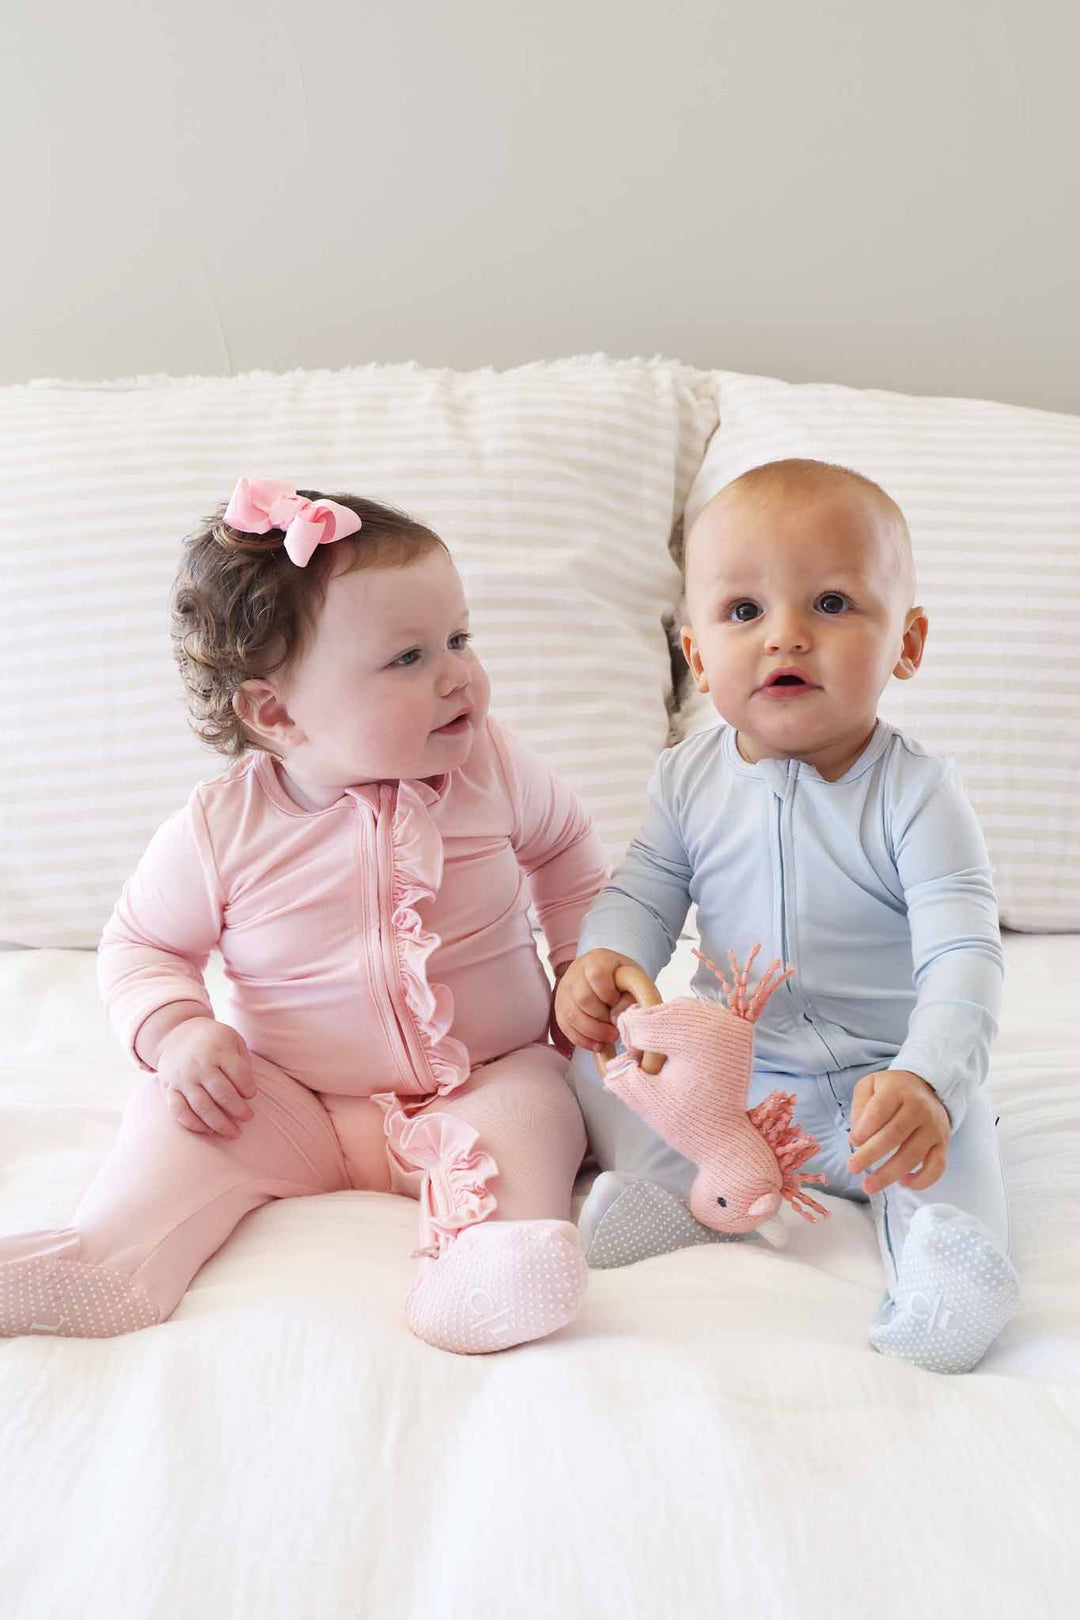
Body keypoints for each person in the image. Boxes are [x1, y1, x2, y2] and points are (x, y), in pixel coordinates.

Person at [0, 478, 606, 1355]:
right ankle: (106, 1261)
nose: (458, 675)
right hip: (289, 1098)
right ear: (275, 713)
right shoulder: (222, 827)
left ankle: (487, 1263)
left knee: (537, 1118)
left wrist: (579, 962)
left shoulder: (494, 768)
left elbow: (567, 851)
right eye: (409, 658)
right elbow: (142, 943)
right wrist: (176, 1033)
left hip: (484, 1073)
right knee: (178, 1121)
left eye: (459, 639)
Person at [554, 458, 1020, 1374]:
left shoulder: (918, 795)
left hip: (884, 1092)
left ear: (908, 643)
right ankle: (690, 1191)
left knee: (953, 1152)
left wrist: (929, 1078)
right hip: (738, 1081)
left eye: (834, 605)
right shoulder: (688, 778)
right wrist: (605, 957)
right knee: (591, 1062)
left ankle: (946, 1274)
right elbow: (646, 886)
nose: (787, 638)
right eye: (744, 613)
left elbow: (965, 951)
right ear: (695, 655)